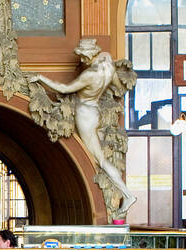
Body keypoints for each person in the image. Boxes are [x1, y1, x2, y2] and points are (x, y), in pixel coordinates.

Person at [27, 40, 138, 220]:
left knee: (99, 160)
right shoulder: (108, 64)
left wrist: (41, 77)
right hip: (97, 113)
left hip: (85, 114)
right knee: (101, 155)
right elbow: (118, 87)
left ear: (89, 53)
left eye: (83, 55)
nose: (82, 59)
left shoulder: (89, 75)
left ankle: (127, 194)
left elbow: (64, 88)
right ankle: (125, 194)